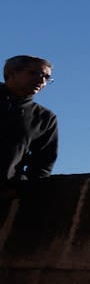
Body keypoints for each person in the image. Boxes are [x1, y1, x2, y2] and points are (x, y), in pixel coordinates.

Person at [2, 55, 58, 188]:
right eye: (34, 73)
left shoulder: (44, 118)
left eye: (46, 77)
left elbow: (44, 163)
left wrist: (22, 189)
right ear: (12, 73)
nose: (41, 80)